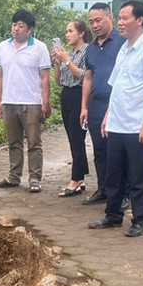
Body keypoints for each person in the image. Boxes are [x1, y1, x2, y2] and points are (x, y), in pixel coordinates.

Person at [87, 1, 143, 237]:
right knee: (114, 174)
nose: (120, 22)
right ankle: (112, 215)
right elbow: (117, 86)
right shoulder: (124, 49)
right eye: (119, 18)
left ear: (139, 20)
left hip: (136, 125)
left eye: (124, 18)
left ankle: (139, 220)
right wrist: (109, 115)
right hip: (117, 124)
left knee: (138, 176)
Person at [0, 9, 52, 193]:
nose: (16, 29)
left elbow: (45, 77)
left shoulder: (39, 47)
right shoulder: (3, 46)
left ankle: (35, 178)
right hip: (9, 101)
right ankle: (13, 176)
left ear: (30, 29)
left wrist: (46, 102)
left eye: (21, 26)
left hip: (32, 102)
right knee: (13, 142)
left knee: (34, 142)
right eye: (14, 25)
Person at [80, 3, 129, 211]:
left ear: (110, 17)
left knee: (118, 151)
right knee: (100, 149)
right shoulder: (90, 49)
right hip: (97, 104)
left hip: (117, 104)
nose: (94, 25)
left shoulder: (123, 43)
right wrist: (84, 106)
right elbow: (88, 78)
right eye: (91, 22)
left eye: (98, 20)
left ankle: (124, 193)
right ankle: (104, 189)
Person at [52, 20, 92, 197]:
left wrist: (67, 62)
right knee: (72, 139)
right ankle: (80, 178)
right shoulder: (69, 53)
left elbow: (84, 77)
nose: (67, 35)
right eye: (66, 31)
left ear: (81, 33)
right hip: (67, 95)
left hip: (79, 96)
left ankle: (75, 180)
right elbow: (59, 80)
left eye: (70, 31)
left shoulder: (87, 52)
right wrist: (57, 63)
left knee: (77, 138)